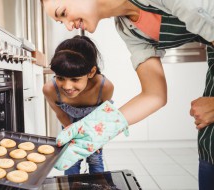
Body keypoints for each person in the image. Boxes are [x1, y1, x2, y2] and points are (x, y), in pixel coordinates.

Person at [41, 0, 214, 189]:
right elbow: (154, 95)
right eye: (60, 22)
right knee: (209, 147)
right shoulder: (128, 29)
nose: (68, 25)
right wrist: (98, 129)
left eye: (63, 12)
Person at [42, 35, 114, 175]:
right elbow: (61, 114)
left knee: (95, 159)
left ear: (91, 72)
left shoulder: (104, 87)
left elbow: (103, 116)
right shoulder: (50, 89)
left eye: (75, 79)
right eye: (60, 77)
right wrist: (72, 136)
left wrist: (95, 139)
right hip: (69, 124)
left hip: (95, 127)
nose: (67, 86)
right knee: (70, 161)